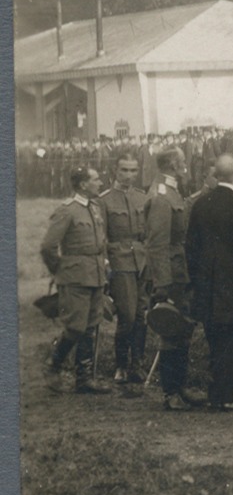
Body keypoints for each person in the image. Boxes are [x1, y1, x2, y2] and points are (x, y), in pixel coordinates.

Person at [184, 155, 233, 411]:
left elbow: (190, 248)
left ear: (217, 175)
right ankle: (224, 396)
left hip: (206, 285)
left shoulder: (200, 204)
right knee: (231, 342)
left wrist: (197, 279)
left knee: (215, 339)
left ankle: (217, 393)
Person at [40, 167, 113, 395]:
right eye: (95, 179)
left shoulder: (94, 207)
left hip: (95, 274)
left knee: (91, 326)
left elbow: (100, 242)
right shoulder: (67, 211)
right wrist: (61, 270)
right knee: (75, 327)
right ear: (83, 184)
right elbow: (48, 247)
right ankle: (53, 365)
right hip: (75, 278)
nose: (100, 183)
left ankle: (84, 379)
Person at [144, 148, 206, 410]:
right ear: (172, 164)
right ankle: (170, 392)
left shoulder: (171, 190)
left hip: (178, 271)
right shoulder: (160, 196)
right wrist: (162, 284)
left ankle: (179, 387)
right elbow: (157, 244)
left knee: (182, 329)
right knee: (171, 331)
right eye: (182, 161)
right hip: (169, 275)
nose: (186, 165)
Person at [100, 153, 150, 384]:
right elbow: (101, 238)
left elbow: (148, 231)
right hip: (119, 261)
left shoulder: (143, 197)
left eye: (133, 170)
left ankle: (137, 364)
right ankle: (121, 363)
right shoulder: (105, 200)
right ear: (115, 171)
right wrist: (106, 266)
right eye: (124, 170)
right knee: (128, 315)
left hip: (141, 260)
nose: (129, 175)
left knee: (141, 315)